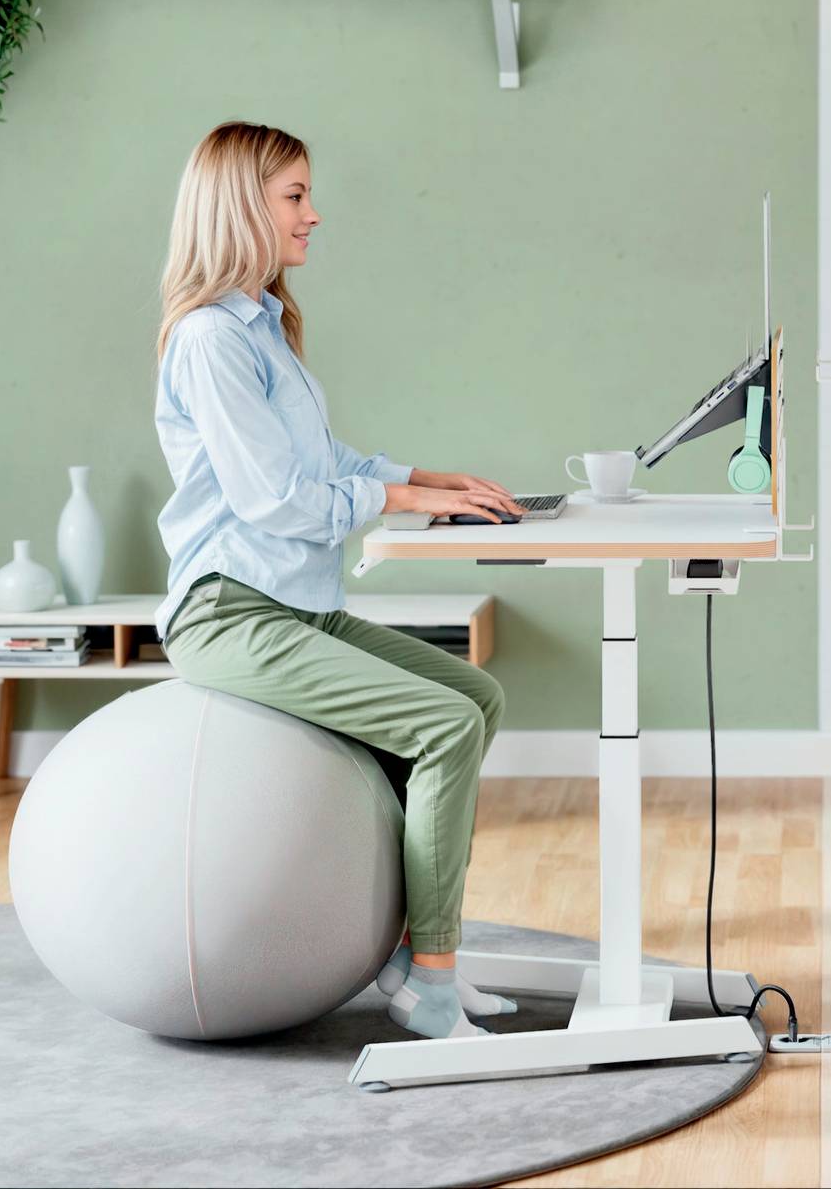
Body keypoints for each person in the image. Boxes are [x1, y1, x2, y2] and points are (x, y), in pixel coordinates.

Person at [151, 119, 529, 1041]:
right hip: (231, 613)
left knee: (472, 696)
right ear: (243, 205)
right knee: (440, 729)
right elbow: (277, 497)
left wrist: (426, 479)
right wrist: (393, 497)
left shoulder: (266, 328)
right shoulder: (210, 340)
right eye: (294, 197)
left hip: (300, 607)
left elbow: (322, 458)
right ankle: (430, 981)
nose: (314, 215)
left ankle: (408, 952)